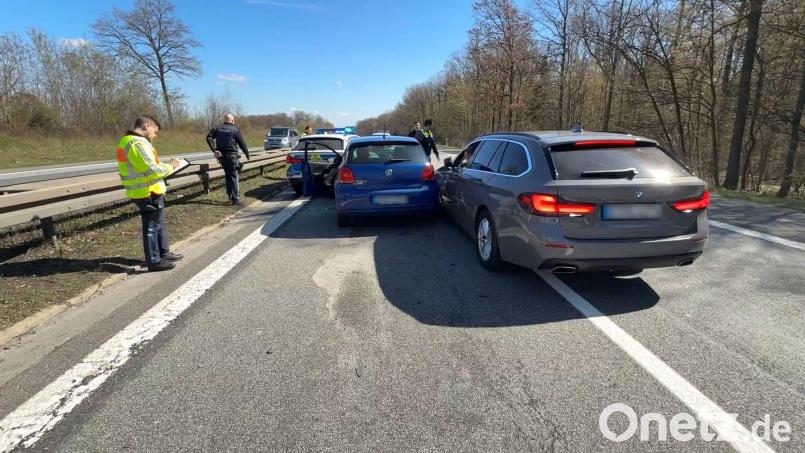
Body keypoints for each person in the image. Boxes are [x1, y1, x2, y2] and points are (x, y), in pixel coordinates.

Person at [117, 116, 183, 272]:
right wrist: (172, 166)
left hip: (147, 189)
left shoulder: (127, 141)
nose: (156, 134)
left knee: (158, 224)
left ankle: (163, 254)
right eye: (155, 130)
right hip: (146, 191)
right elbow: (152, 169)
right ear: (146, 126)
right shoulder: (136, 143)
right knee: (152, 226)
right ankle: (154, 261)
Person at [206, 113, 251, 206]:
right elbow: (242, 144)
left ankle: (230, 195)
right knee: (234, 176)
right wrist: (247, 154)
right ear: (232, 120)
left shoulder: (217, 128)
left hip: (222, 157)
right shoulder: (235, 130)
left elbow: (208, 138)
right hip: (232, 156)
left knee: (228, 175)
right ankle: (236, 199)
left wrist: (214, 150)